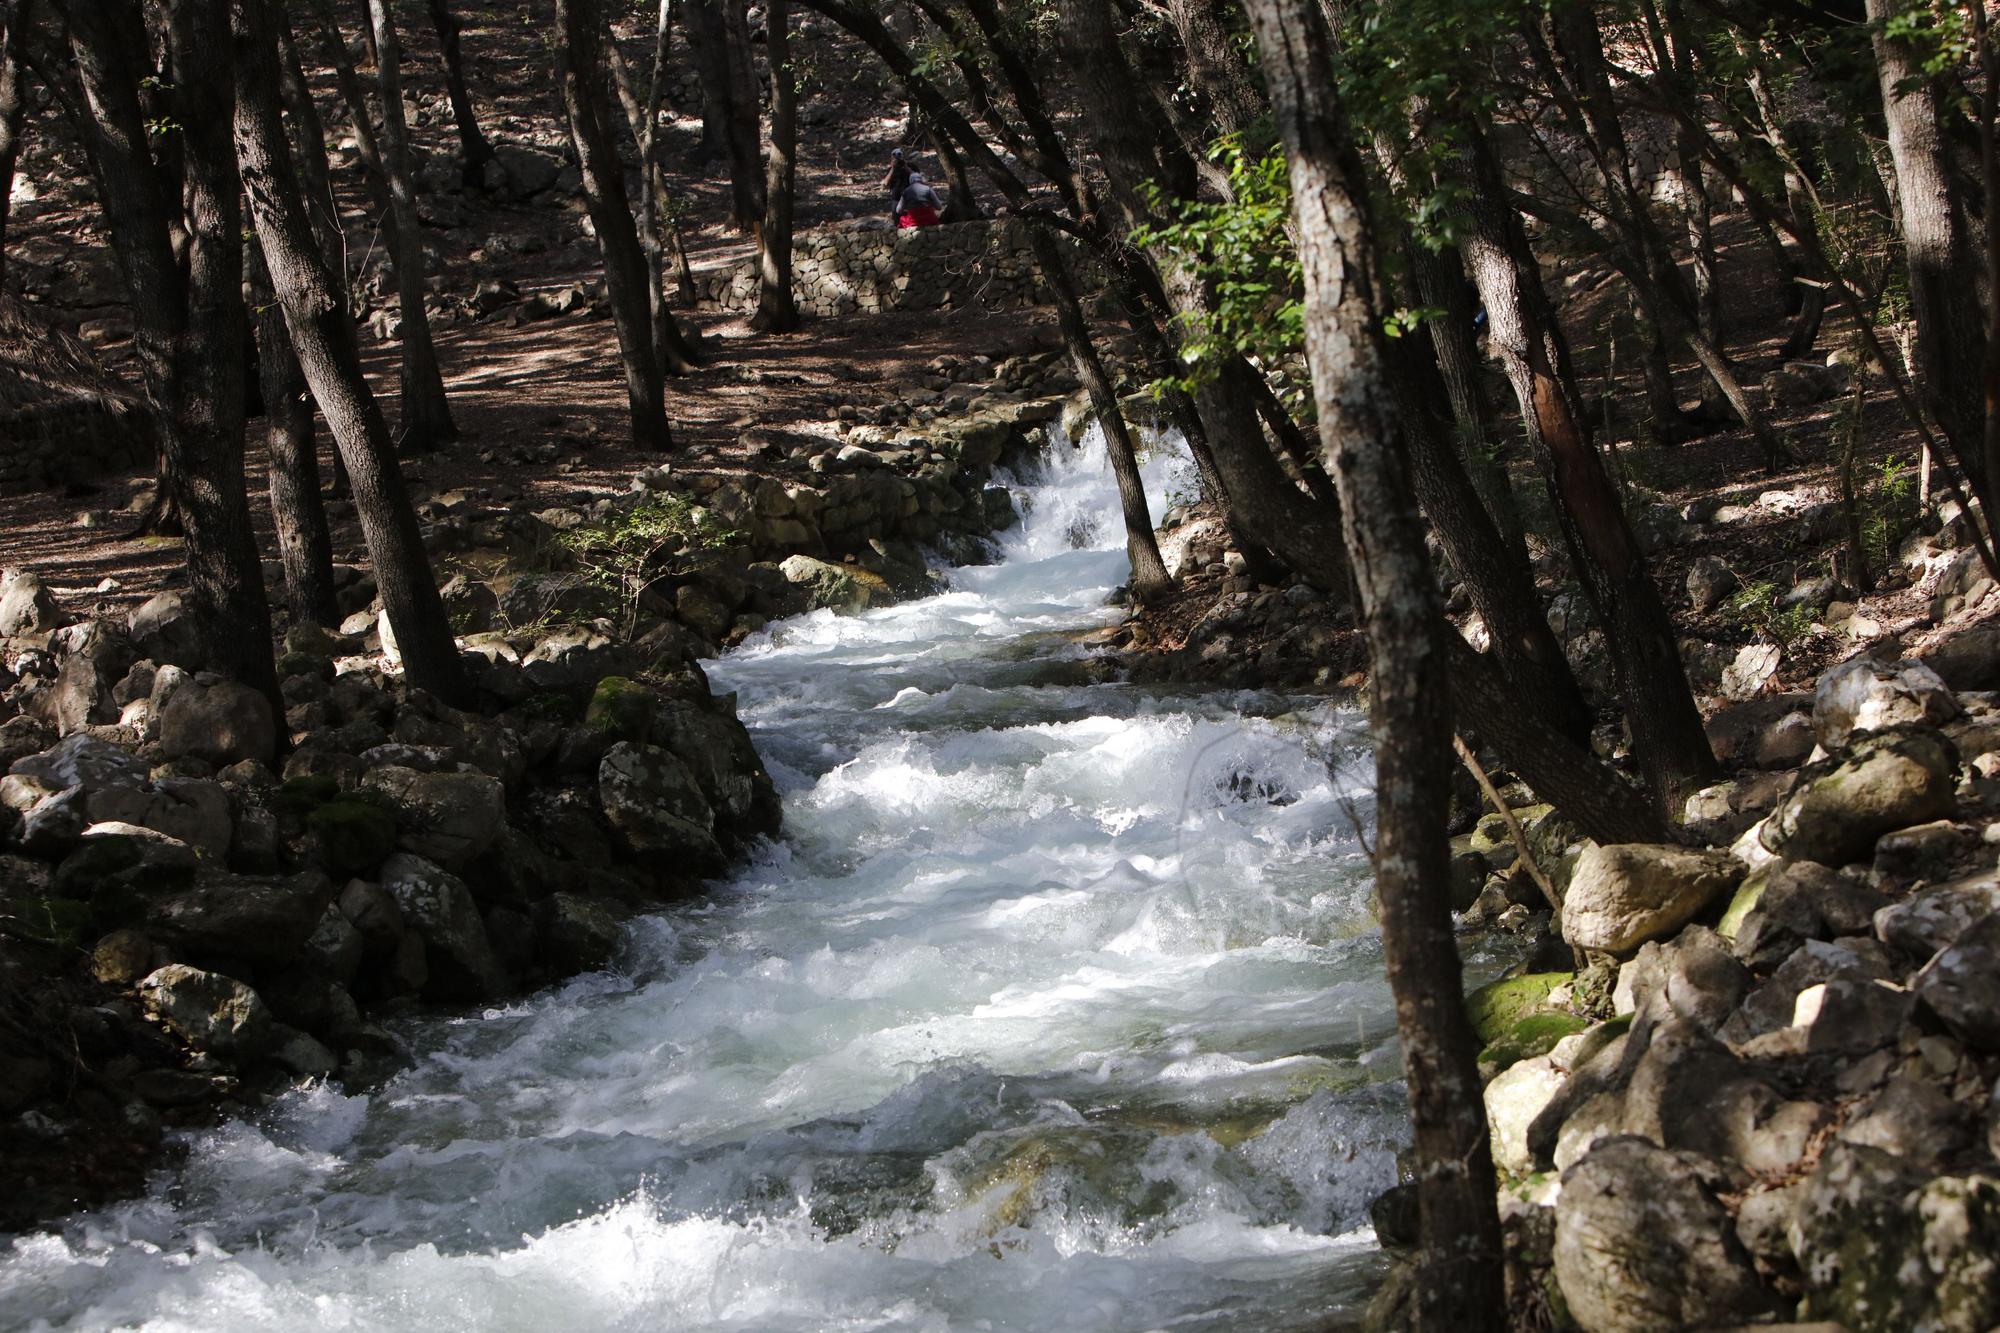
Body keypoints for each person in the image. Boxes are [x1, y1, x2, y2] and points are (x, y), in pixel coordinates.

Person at [883, 148, 911, 223]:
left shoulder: (910, 166)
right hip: (896, 197)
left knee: (910, 216)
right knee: (896, 218)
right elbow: (885, 183)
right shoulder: (890, 169)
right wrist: (893, 168)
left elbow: (916, 177)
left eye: (899, 155)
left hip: (909, 195)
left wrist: (906, 166)